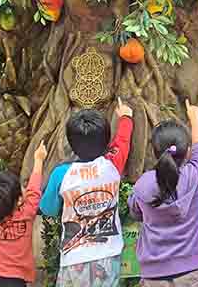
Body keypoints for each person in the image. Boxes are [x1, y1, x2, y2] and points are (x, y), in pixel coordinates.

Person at [39, 98, 134, 287]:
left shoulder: (61, 175)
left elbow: (48, 209)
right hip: (108, 256)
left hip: (74, 259)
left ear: (72, 143)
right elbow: (123, 140)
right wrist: (125, 117)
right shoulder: (112, 165)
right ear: (105, 140)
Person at [128, 100, 198, 286]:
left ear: (154, 152)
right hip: (192, 274)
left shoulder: (143, 185)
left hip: (153, 276)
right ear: (188, 151)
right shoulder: (195, 176)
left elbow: (135, 211)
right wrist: (194, 118)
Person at [0, 141, 47, 287]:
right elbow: (34, 190)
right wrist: (39, 159)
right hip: (16, 281)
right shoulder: (28, 210)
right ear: (19, 200)